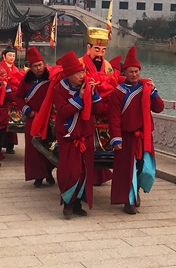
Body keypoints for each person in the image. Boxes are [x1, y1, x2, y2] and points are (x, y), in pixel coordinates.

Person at [35, 51, 107, 218]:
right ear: (68, 75)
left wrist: (94, 95)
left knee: (84, 171)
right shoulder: (59, 89)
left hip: (86, 136)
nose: (82, 75)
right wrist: (81, 98)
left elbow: (98, 110)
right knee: (70, 171)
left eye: (82, 72)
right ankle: (67, 202)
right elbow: (64, 112)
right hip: (68, 137)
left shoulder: (88, 86)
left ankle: (77, 204)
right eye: (77, 73)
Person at [108, 47, 164, 214]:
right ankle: (128, 201)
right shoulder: (117, 93)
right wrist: (116, 138)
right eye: (131, 71)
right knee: (127, 170)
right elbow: (114, 118)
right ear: (124, 72)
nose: (134, 74)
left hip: (143, 136)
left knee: (143, 167)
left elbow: (159, 108)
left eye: (137, 71)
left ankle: (136, 192)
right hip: (126, 137)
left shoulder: (145, 88)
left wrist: (153, 92)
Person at [80, 27, 118, 186]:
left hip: (103, 108)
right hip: (85, 108)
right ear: (88, 48)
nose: (100, 54)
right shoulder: (79, 63)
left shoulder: (108, 66)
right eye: (97, 49)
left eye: (103, 50)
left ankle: (99, 174)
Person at [15, 47, 55, 187]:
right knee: (34, 148)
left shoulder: (51, 78)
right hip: (33, 118)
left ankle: (48, 171)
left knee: (49, 146)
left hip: (49, 118)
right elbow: (19, 97)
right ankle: (38, 175)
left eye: (40, 65)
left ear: (44, 64)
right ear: (30, 68)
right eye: (35, 66)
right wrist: (27, 111)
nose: (39, 68)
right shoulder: (26, 81)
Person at [0, 46, 23, 154]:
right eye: (9, 55)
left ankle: (10, 145)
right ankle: (0, 144)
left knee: (14, 124)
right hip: (4, 99)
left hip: (15, 99)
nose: (12, 58)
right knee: (3, 125)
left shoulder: (16, 69)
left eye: (13, 55)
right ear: (4, 56)